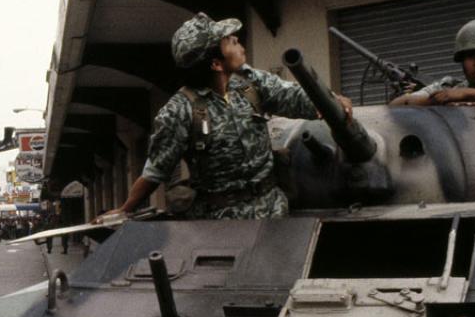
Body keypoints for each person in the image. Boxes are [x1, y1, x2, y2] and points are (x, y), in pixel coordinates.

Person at [98, 12, 351, 221]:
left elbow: (293, 97)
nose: (237, 40)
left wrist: (330, 101)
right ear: (216, 64)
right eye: (229, 41)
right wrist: (126, 209)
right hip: (221, 223)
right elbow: (156, 170)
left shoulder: (249, 84)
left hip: (273, 211)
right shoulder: (179, 111)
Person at [389, 17, 475, 118]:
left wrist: (472, 95)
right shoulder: (448, 88)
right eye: (469, 56)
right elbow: (397, 105)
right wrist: (438, 100)